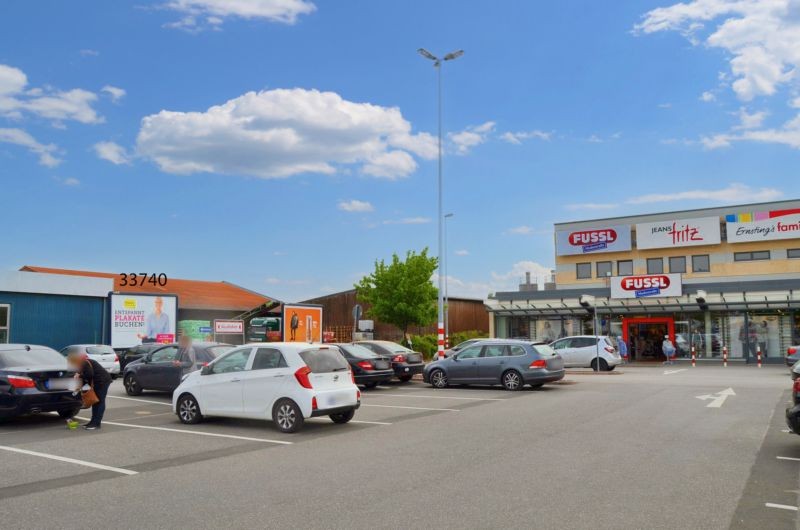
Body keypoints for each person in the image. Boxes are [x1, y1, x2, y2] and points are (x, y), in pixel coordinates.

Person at [67, 351, 111, 430]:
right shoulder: (80, 365)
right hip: (98, 382)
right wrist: (79, 389)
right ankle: (92, 422)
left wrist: (79, 376)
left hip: (102, 382)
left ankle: (96, 423)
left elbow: (89, 374)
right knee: (94, 401)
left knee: (99, 401)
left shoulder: (84, 363)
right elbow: (85, 379)